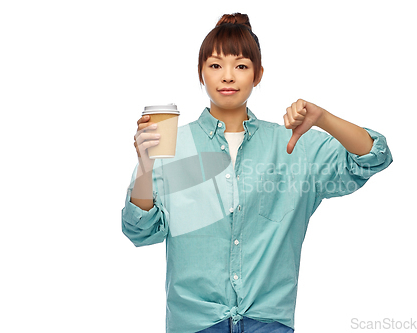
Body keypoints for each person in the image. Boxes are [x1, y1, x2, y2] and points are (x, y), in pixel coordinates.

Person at [122, 13, 393, 333]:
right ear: (201, 73)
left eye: (240, 65)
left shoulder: (293, 146)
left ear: (258, 73)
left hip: (268, 323)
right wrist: (144, 165)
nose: (227, 76)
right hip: (194, 323)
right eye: (215, 65)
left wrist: (322, 118)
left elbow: (373, 156)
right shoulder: (173, 148)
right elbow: (141, 231)